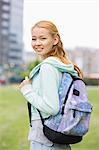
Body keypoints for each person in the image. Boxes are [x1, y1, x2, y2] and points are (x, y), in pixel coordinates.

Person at [19, 20, 83, 150]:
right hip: (59, 136)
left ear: (55, 40)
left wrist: (27, 90)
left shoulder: (48, 67)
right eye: (34, 39)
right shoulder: (61, 65)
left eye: (43, 38)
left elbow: (51, 107)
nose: (37, 43)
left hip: (45, 140)